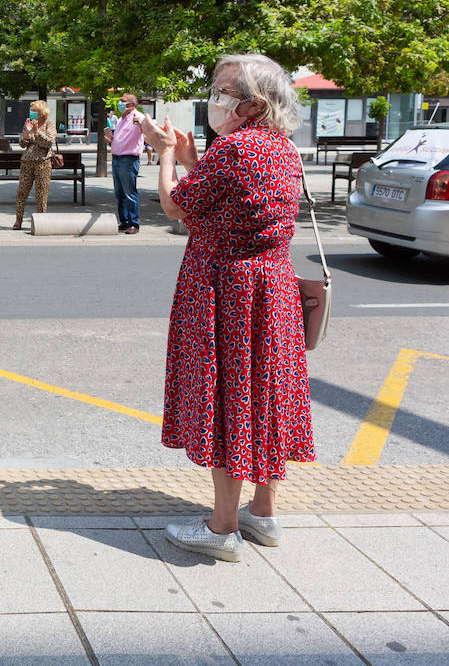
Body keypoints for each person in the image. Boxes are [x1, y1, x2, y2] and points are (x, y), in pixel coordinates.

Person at [138, 53, 314, 563]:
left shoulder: (234, 148)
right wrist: (199, 160)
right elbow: (233, 198)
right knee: (265, 395)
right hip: (273, 289)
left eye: (223, 92)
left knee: (225, 397)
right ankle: (264, 512)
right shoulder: (282, 149)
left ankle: (222, 527)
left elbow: (176, 206)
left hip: (226, 290)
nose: (214, 99)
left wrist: (167, 152)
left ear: (254, 104)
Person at [102, 93, 146, 234]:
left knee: (129, 192)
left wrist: (141, 125)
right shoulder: (122, 119)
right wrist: (112, 139)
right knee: (119, 192)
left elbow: (147, 131)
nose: (120, 103)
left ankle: (134, 223)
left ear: (132, 104)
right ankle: (124, 221)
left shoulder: (138, 117)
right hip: (117, 157)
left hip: (129, 159)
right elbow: (121, 138)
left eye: (123, 101)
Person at [13, 100, 56, 229]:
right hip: (27, 162)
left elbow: (48, 142)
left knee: (41, 193)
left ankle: (41, 221)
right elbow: (22, 144)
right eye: (31, 110)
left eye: (34, 111)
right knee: (22, 192)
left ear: (41, 113)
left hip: (43, 162)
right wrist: (26, 132)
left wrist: (37, 131)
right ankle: (18, 220)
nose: (31, 113)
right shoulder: (29, 124)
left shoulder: (49, 124)